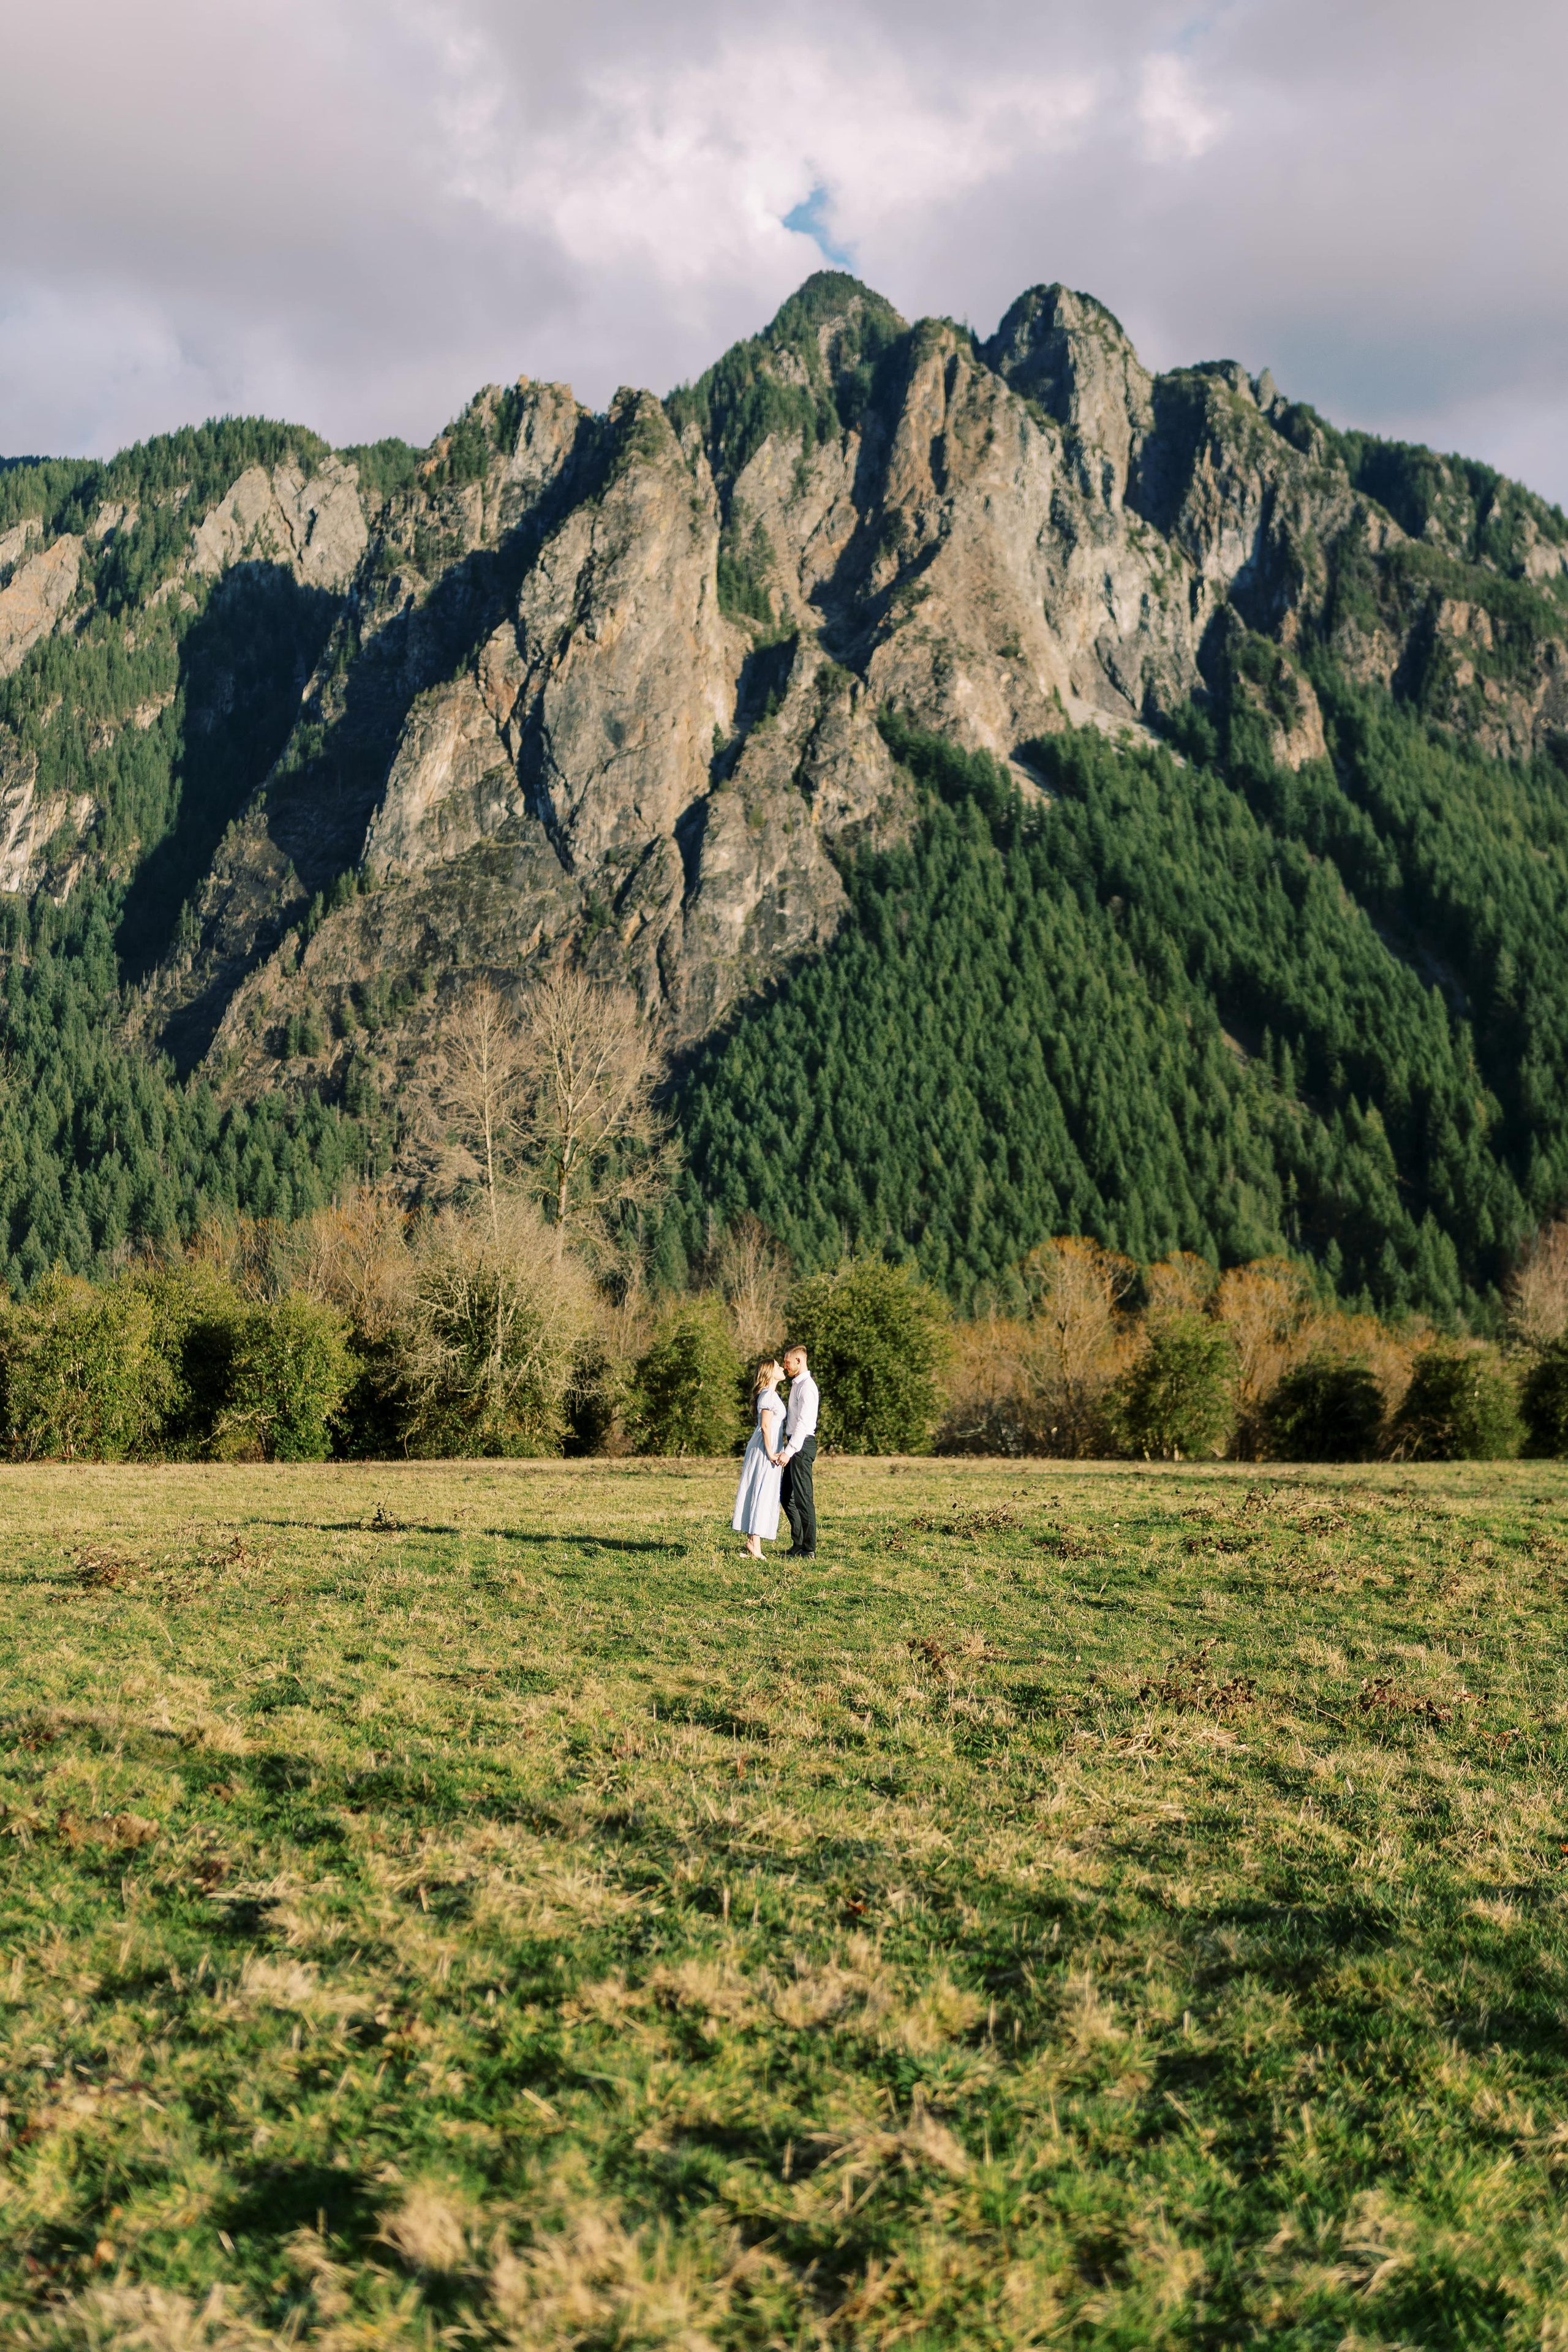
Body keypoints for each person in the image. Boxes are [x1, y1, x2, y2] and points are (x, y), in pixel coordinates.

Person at [733, 1360, 786, 1559]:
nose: (782, 1369)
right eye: (778, 1366)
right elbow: (765, 1426)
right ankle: (754, 1543)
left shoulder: (770, 1395)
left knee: (762, 1491)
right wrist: (772, 1452)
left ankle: (754, 1542)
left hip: (767, 1448)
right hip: (765, 1450)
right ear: (770, 1372)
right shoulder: (768, 1395)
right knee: (761, 1491)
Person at [778, 1343, 820, 1558]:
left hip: (802, 1445)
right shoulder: (797, 1384)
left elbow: (803, 1424)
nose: (785, 1366)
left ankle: (809, 1549)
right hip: (795, 1443)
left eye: (787, 1362)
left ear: (799, 1361)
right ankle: (798, 1543)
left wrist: (789, 1451)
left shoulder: (807, 1387)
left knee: (804, 1498)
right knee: (786, 1496)